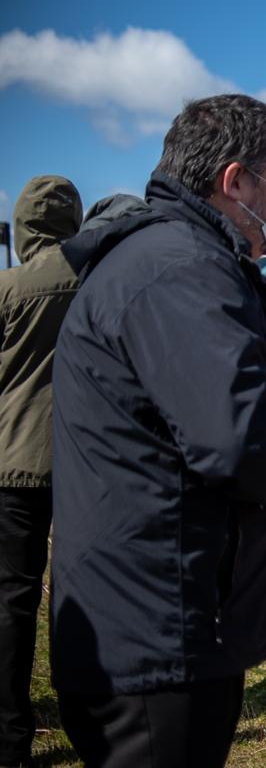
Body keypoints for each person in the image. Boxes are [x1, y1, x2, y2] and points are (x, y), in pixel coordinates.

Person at [50, 94, 266, 768]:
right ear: (235, 180)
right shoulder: (180, 269)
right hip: (158, 626)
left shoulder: (172, 259)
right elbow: (240, 436)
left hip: (167, 610)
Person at [0, 176, 81, 768]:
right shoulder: (101, 281)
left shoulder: (6, 287)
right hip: (89, 462)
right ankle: (95, 721)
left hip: (13, 461)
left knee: (11, 600)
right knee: (83, 597)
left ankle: (10, 737)